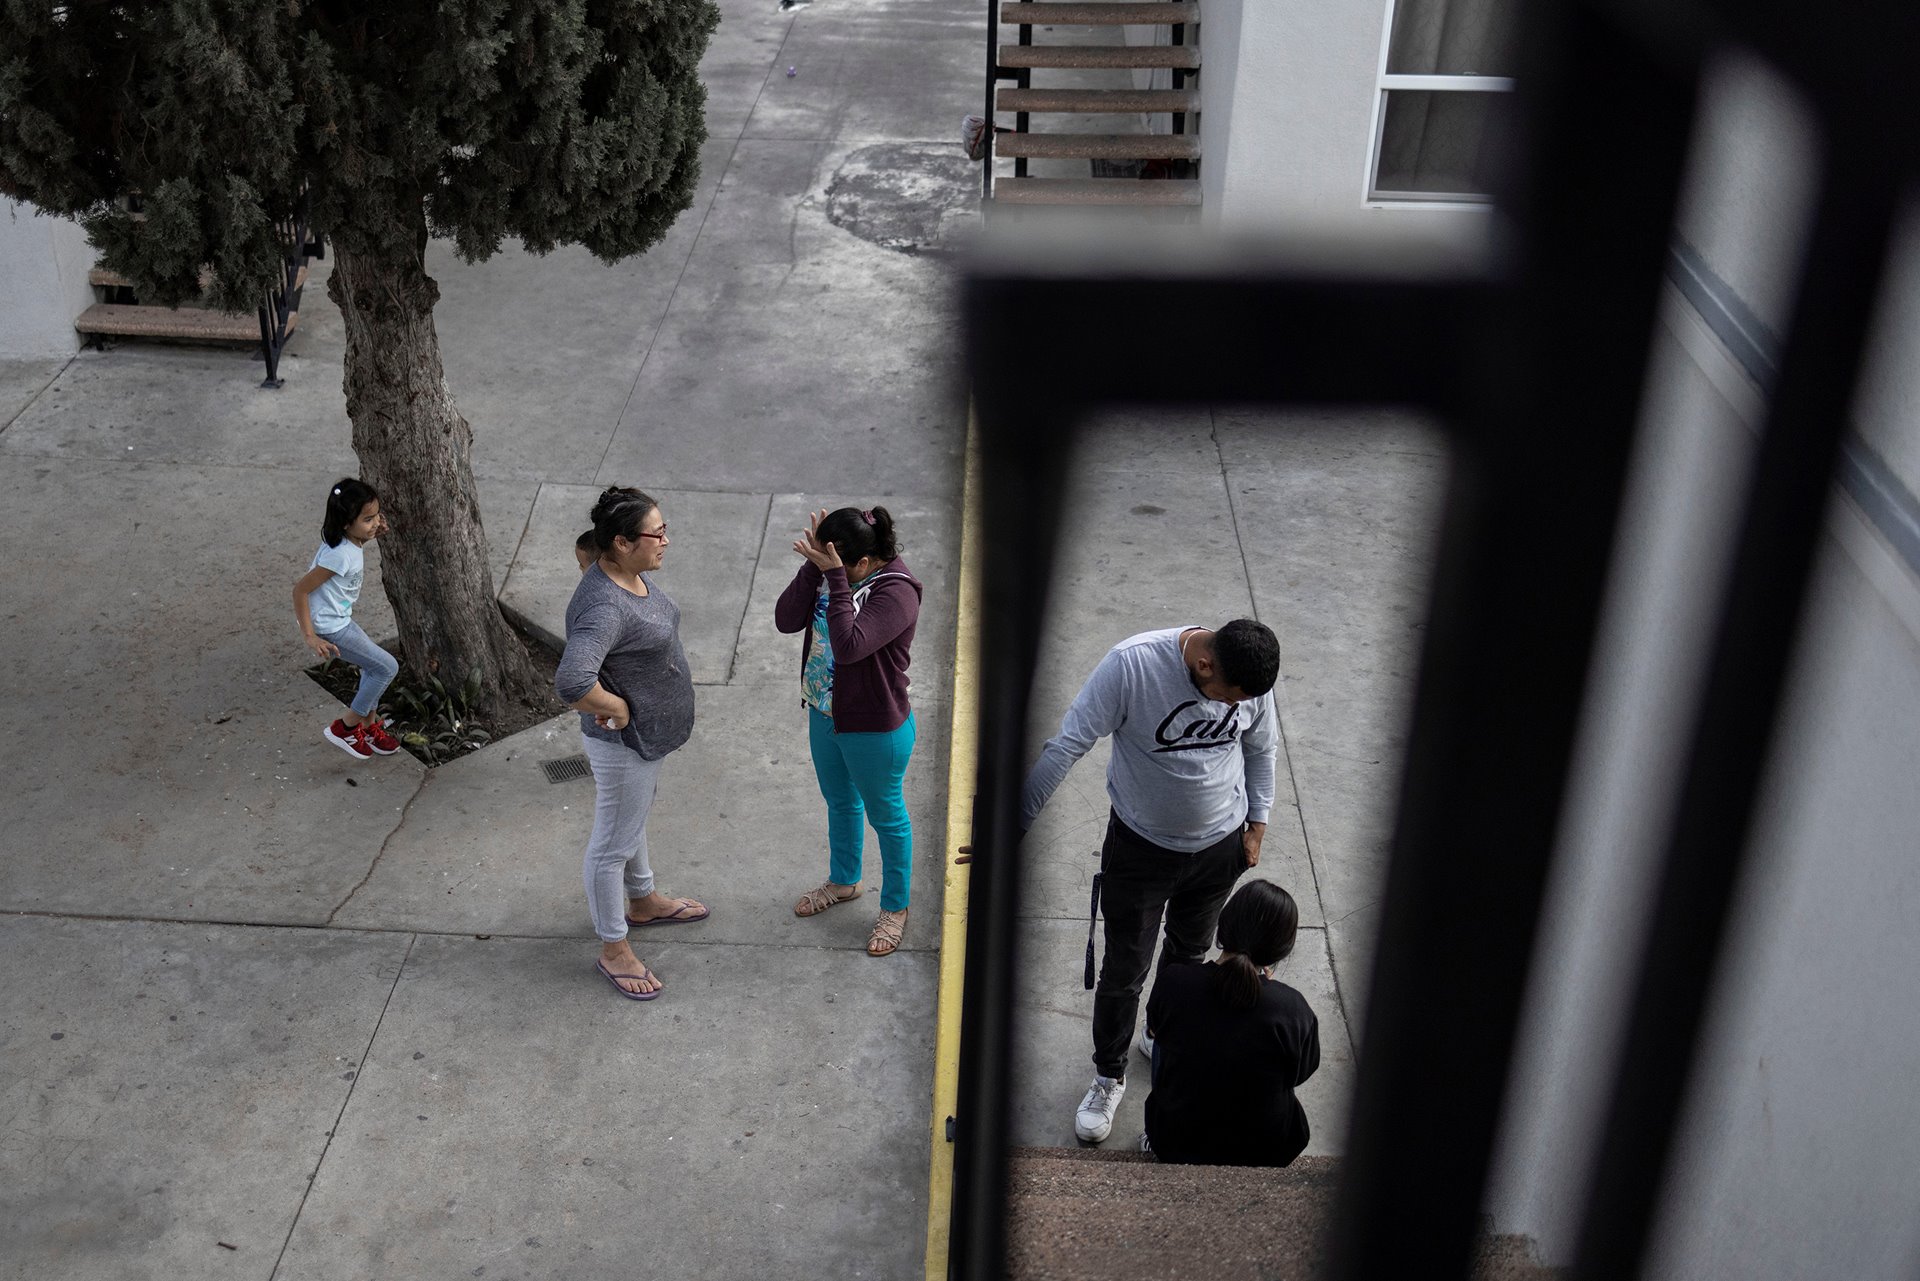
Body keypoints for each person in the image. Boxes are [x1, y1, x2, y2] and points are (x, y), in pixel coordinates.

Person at [1022, 619, 1281, 1143]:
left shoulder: (1248, 677)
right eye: (1228, 699)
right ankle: (1108, 1075)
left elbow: (1261, 749)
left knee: (1187, 963)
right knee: (1124, 971)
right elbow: (1066, 745)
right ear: (1204, 665)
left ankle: (1160, 1034)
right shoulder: (1131, 666)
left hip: (1218, 852)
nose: (1234, 709)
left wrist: (1257, 825)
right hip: (1140, 853)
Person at [555, 486, 709, 1001]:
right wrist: (618, 708)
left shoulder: (629, 575)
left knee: (630, 820)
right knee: (611, 845)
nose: (666, 540)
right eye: (657, 532)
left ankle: (642, 901)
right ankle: (613, 948)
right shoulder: (604, 606)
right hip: (624, 744)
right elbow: (573, 681)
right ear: (621, 543)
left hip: (646, 739)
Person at [773, 506, 924, 957]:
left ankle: (895, 908)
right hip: (825, 713)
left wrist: (835, 579)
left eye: (833, 561)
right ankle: (844, 881)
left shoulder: (897, 593)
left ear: (862, 563)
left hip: (874, 727)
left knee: (887, 818)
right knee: (840, 802)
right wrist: (812, 567)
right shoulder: (831, 572)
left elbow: (850, 646)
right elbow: (785, 620)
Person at [1142, 880, 1319, 1166]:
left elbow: (1155, 1027)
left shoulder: (1175, 982)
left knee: (1162, 1039)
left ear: (1222, 927)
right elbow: (1299, 1073)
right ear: (1280, 951)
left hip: (1175, 1141)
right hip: (1267, 1149)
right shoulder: (1292, 1009)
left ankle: (1154, 1135)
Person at [293, 478, 402, 761]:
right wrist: (310, 635)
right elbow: (301, 590)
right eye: (368, 519)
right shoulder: (339, 556)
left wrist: (370, 533)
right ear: (345, 522)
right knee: (386, 667)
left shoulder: (348, 541)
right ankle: (346, 727)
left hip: (339, 620)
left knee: (372, 666)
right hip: (330, 627)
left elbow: (359, 538)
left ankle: (368, 727)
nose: (376, 522)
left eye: (376, 515)